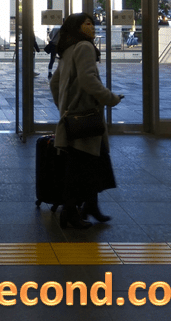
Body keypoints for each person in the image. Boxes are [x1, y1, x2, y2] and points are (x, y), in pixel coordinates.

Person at [50, 12, 123, 229]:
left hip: (74, 118)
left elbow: (55, 83)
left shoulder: (69, 49)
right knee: (81, 168)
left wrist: (64, 108)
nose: (92, 27)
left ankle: (91, 206)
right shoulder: (84, 47)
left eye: (93, 23)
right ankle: (70, 211)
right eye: (87, 23)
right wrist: (111, 98)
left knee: (92, 163)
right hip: (86, 118)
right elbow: (88, 79)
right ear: (77, 27)